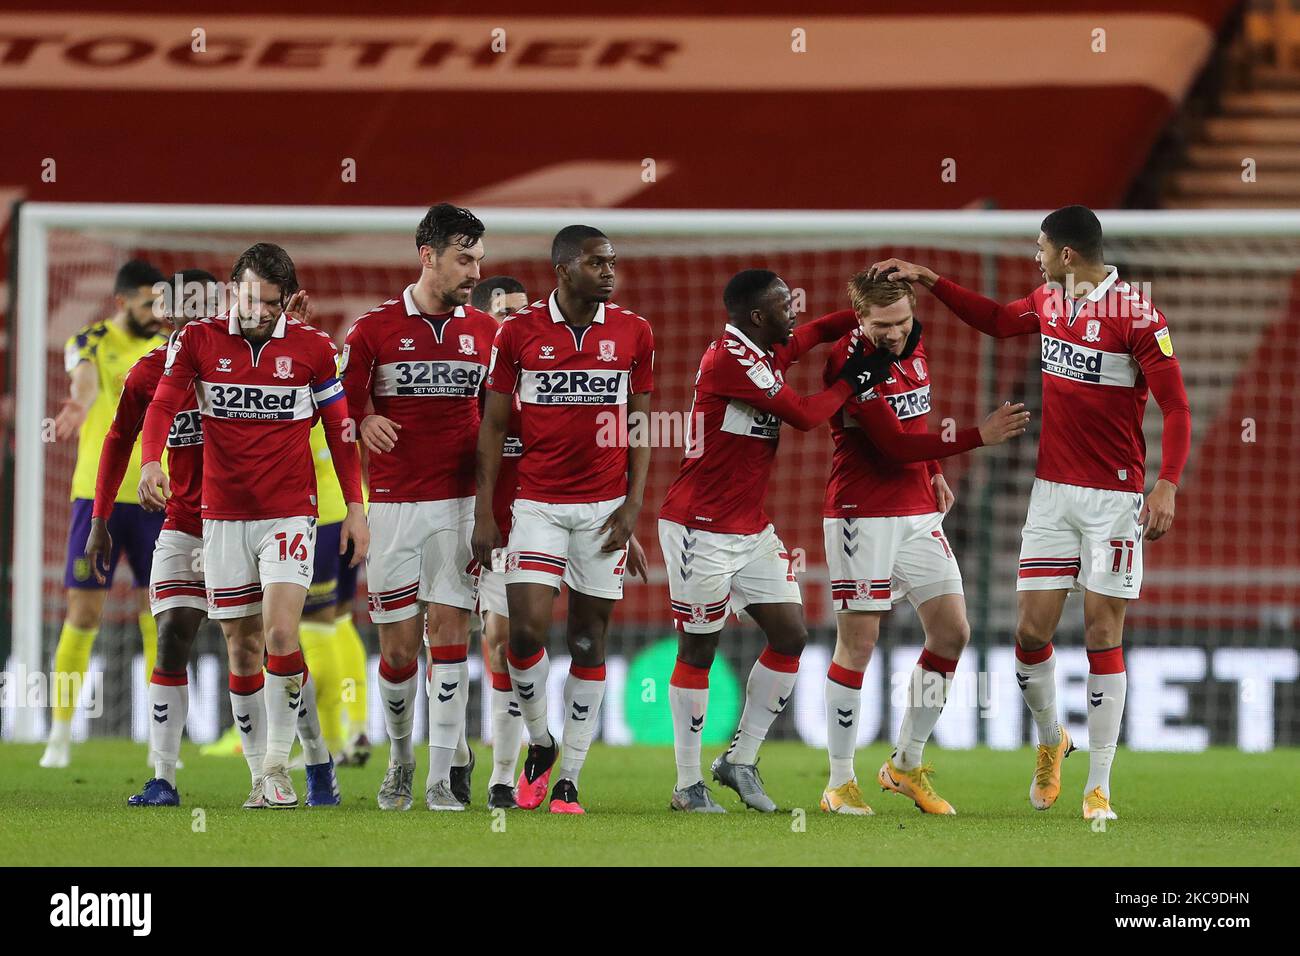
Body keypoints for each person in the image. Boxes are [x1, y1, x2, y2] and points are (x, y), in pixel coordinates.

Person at [870, 204, 1191, 820]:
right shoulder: (1048, 300)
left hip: (1114, 501)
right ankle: (1051, 740)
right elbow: (993, 320)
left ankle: (1098, 786)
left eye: (1041, 247)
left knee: (1103, 632)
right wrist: (930, 279)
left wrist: (1167, 485)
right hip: (1050, 495)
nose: (1035, 256)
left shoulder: (1139, 318)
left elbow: (1176, 409)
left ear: (1067, 255)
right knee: (1030, 634)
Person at [657, 269, 896, 813]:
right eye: (785, 305)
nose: (795, 312)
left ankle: (739, 760)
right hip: (699, 527)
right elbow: (808, 416)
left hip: (750, 528)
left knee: (790, 635)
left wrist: (868, 315)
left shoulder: (763, 349)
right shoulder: (731, 360)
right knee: (699, 647)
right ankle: (687, 784)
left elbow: (813, 334)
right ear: (758, 317)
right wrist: (852, 380)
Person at [139, 243, 368, 809]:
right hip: (221, 517)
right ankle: (307, 760)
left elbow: (341, 431)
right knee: (242, 651)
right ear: (230, 289)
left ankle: (274, 771)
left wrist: (358, 508)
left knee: (282, 636)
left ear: (287, 301)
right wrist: (150, 460)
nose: (254, 310)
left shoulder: (314, 348)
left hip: (290, 513)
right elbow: (163, 404)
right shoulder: (198, 341)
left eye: (268, 303)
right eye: (245, 297)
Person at [818, 272, 1028, 815]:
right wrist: (980, 435)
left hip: (916, 511)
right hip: (860, 515)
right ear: (859, 319)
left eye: (903, 321)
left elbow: (914, 419)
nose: (894, 333)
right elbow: (888, 444)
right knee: (858, 644)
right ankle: (839, 782)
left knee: (953, 631)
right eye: (881, 325)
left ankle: (906, 764)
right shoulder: (847, 360)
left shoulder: (916, 342)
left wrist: (934, 468)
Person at [472, 225, 654, 815]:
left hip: (604, 512)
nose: (609, 272)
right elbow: (495, 427)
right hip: (539, 506)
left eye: (613, 263)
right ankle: (541, 741)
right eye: (598, 263)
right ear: (564, 269)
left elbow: (641, 426)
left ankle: (569, 779)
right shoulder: (519, 334)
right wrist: (483, 512)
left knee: (586, 640)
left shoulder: (634, 332)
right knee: (522, 635)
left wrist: (632, 505)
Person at [41, 260, 169, 770]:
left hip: (155, 496)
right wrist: (77, 402)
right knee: (84, 614)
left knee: (159, 614)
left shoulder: (169, 347)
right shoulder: (89, 340)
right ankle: (59, 734)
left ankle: (162, 738)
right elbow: (85, 382)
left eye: (159, 303)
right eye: (145, 304)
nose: (154, 312)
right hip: (94, 498)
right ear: (120, 302)